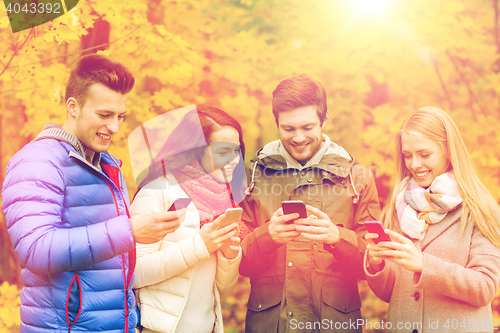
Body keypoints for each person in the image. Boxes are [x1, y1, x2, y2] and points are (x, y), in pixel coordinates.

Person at [2, 54, 184, 333]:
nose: (114, 127)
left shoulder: (107, 163)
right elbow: (35, 250)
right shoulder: (37, 161)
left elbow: (109, 266)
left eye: (120, 116)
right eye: (104, 115)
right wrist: (129, 231)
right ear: (72, 107)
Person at [239, 74, 381, 333]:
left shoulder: (357, 178)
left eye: (307, 127)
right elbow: (237, 262)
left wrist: (338, 238)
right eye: (288, 129)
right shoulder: (253, 176)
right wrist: (266, 236)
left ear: (325, 120)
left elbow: (372, 264)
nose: (298, 138)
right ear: (276, 122)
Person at [365, 107, 500, 333]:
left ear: (448, 150)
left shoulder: (479, 207)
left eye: (424, 154)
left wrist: (424, 265)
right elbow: (389, 293)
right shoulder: (399, 207)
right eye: (407, 155)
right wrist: (377, 263)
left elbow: (485, 288)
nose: (414, 164)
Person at [131, 106, 247, 333]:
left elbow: (221, 292)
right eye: (223, 152)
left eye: (236, 151)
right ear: (195, 151)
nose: (234, 160)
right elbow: (134, 274)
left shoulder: (224, 201)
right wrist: (200, 245)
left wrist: (229, 257)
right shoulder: (158, 190)